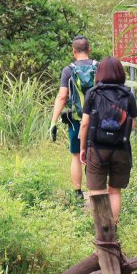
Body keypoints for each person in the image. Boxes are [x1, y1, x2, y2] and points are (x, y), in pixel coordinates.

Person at [79, 56, 137, 223]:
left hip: (96, 147)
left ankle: (104, 234)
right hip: (120, 147)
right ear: (121, 73)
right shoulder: (127, 94)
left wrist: (83, 148)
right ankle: (113, 227)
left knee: (97, 190)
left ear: (100, 73)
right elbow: (132, 125)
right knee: (114, 191)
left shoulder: (92, 93)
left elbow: (85, 124)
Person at [50, 36, 97, 202]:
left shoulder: (68, 70)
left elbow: (62, 97)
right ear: (89, 50)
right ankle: (95, 190)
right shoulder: (98, 67)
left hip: (76, 119)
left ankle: (78, 193)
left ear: (73, 51)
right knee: (94, 154)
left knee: (76, 155)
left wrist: (53, 122)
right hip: (96, 119)